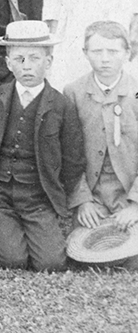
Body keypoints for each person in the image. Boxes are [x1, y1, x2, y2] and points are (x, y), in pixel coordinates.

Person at [0, 20, 86, 272]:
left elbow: (73, 159)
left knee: (51, 262)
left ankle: (28, 230)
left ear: (49, 62)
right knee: (13, 260)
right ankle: (0, 231)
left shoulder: (61, 105)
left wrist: (57, 193)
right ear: (8, 63)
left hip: (38, 197)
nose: (27, 66)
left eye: (34, 58)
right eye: (19, 58)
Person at [65, 21, 138, 268]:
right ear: (85, 53)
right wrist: (82, 200)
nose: (105, 59)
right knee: (86, 251)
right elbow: (69, 154)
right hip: (94, 196)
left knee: (132, 255)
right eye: (97, 52)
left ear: (127, 53)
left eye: (113, 52)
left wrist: (135, 205)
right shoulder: (73, 93)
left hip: (128, 193)